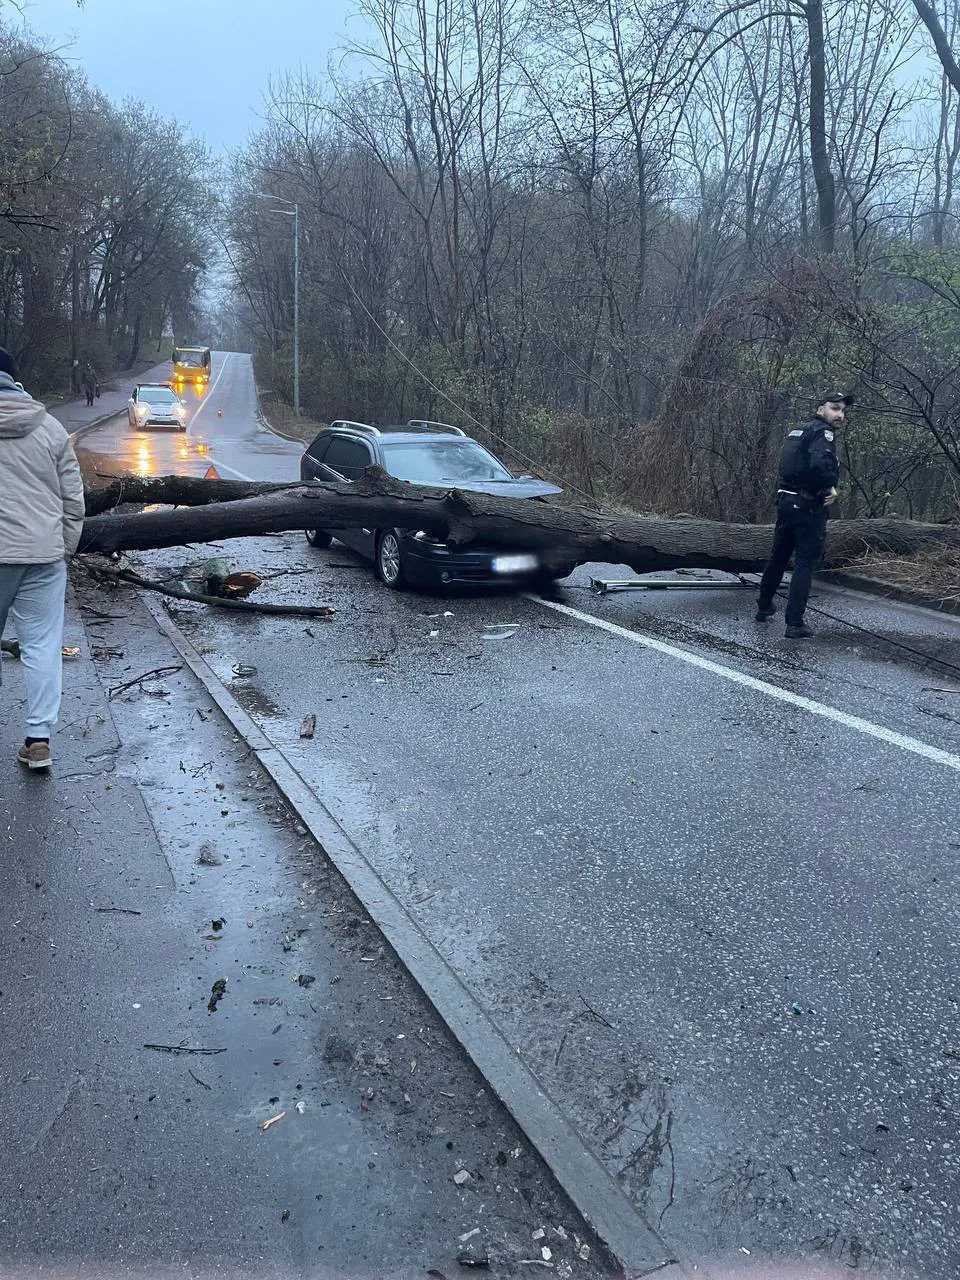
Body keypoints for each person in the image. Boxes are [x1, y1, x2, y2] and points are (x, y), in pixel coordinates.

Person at [0, 347, 85, 769]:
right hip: (42, 555)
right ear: (15, 382)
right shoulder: (50, 429)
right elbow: (74, 500)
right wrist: (63, 547)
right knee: (42, 647)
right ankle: (38, 740)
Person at [755, 391, 852, 638]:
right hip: (808, 506)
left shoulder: (798, 431)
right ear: (821, 409)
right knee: (805, 563)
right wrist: (829, 486)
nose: (840, 414)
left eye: (842, 410)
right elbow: (820, 465)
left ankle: (764, 606)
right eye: (835, 408)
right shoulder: (823, 433)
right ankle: (795, 623)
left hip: (786, 502)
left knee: (778, 557)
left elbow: (787, 466)